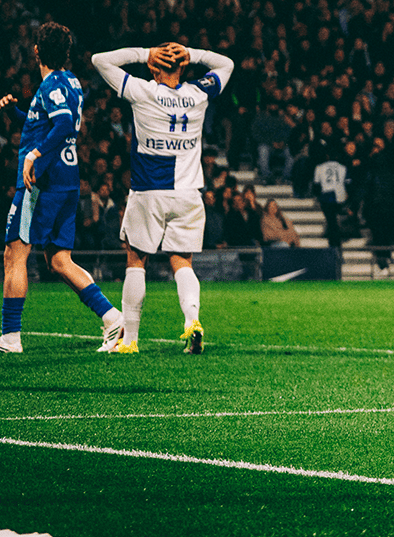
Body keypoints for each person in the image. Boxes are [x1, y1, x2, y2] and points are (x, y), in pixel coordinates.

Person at [91, 41, 236, 354]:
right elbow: (227, 65)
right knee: (182, 261)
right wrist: (193, 53)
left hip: (148, 192)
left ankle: (129, 340)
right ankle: (192, 321)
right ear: (182, 67)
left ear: (155, 67)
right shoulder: (198, 93)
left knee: (136, 260)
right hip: (188, 194)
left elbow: (100, 59)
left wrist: (144, 53)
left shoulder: (141, 91)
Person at [1, 22, 124, 354]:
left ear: (37, 51)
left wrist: (35, 154)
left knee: (15, 254)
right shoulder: (71, 81)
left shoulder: (52, 84)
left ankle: (10, 338)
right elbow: (49, 120)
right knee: (58, 259)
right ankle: (112, 318)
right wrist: (15, 113)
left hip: (42, 181)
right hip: (67, 180)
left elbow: (64, 123)